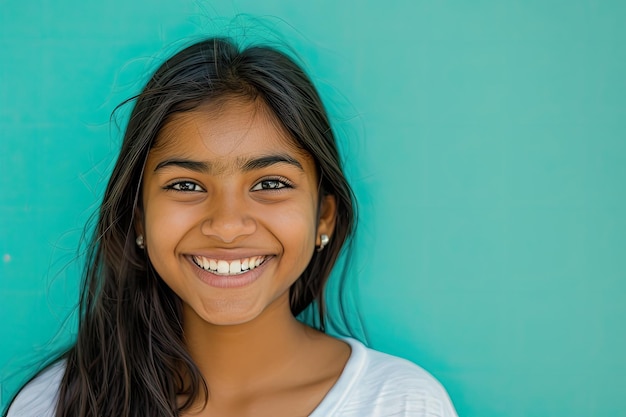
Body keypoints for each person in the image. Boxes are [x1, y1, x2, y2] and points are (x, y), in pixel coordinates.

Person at [5, 37, 458, 417]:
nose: (226, 226)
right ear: (138, 218)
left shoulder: (398, 403)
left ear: (324, 216)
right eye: (185, 184)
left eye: (270, 183)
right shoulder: (54, 405)